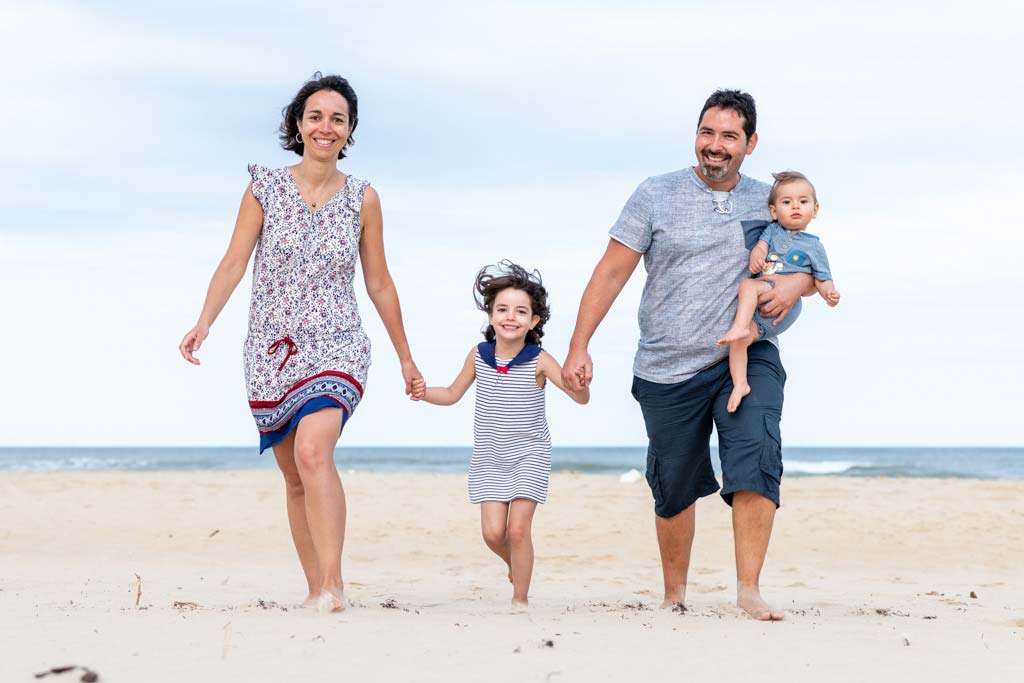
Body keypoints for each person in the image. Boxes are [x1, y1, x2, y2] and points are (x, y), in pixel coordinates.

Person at [561, 90, 813, 621]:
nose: (715, 146)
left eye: (728, 136)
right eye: (707, 133)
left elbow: (808, 258)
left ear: (750, 144)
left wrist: (796, 287)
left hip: (746, 353)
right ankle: (674, 594)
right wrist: (578, 344)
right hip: (666, 365)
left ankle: (748, 589)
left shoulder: (771, 199)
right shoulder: (655, 194)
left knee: (756, 453)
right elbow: (611, 271)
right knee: (673, 480)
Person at [178, 73, 422, 613]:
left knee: (315, 451)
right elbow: (235, 260)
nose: (325, 127)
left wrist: (405, 356)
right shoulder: (264, 187)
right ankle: (315, 588)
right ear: (297, 124)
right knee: (294, 475)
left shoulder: (364, 198)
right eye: (316, 116)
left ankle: (334, 587)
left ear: (350, 130)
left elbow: (378, 281)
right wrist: (204, 321)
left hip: (338, 343)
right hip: (271, 350)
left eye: (338, 118)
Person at [410, 261, 589, 610]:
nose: (511, 317)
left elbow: (579, 398)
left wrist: (580, 385)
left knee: (518, 531)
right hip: (490, 458)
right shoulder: (479, 355)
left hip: (529, 454)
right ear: (491, 316)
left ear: (534, 321)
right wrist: (422, 391)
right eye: (502, 309)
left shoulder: (539, 360)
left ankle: (519, 601)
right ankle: (515, 564)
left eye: (521, 311)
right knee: (494, 534)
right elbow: (451, 393)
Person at [716, 171, 840, 412]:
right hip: (762, 302)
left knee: (747, 285)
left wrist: (830, 293)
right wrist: (756, 256)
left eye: (803, 202)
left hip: (785, 306)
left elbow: (823, 277)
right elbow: (760, 247)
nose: (795, 206)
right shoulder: (773, 231)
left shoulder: (813, 246)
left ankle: (740, 325)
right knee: (739, 342)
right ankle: (740, 384)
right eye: (787, 202)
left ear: (815, 209)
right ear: (774, 211)